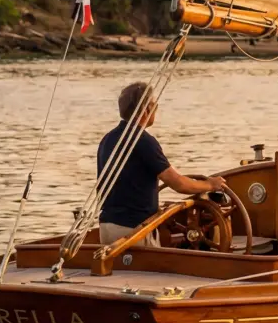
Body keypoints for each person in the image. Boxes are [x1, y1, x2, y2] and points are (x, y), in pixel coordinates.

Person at [98, 81, 229, 247]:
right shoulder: (143, 141)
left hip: (106, 228)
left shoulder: (107, 140)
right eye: (155, 105)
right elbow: (178, 184)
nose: (156, 109)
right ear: (146, 109)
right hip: (133, 231)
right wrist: (210, 185)